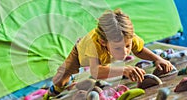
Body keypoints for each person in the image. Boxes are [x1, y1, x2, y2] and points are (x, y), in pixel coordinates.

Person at [45, 8, 173, 97]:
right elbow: (95, 72)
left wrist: (157, 59)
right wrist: (124, 70)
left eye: (127, 46)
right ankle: (52, 92)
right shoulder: (93, 44)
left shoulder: (127, 37)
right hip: (80, 54)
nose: (124, 53)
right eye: (118, 48)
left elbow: (139, 50)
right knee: (60, 82)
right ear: (102, 42)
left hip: (103, 57)